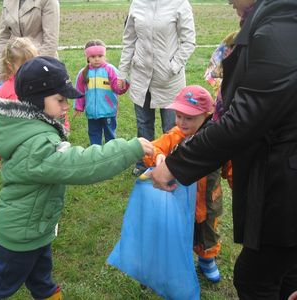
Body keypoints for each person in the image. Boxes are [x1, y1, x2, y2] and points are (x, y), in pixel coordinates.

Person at [0, 56, 153, 300]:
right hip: (21, 234)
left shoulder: (35, 128)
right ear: (37, 100)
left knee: (41, 281)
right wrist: (127, 149)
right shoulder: (37, 144)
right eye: (60, 99)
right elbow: (80, 164)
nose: (66, 105)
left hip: (37, 228)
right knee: (2, 285)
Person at [151, 0, 297, 299]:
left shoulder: (281, 27)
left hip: (285, 183)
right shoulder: (278, 20)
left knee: (255, 278)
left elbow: (244, 118)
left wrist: (177, 164)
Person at [143, 85, 226, 283]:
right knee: (181, 233)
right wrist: (158, 156)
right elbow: (153, 148)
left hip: (208, 202)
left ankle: (207, 260)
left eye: (188, 118)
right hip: (180, 202)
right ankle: (180, 261)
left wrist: (237, 181)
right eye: (178, 116)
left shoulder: (217, 139)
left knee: (208, 233)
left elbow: (231, 165)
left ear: (206, 116)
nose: (181, 122)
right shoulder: (176, 135)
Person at [117, 0, 196, 176]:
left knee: (172, 127)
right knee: (144, 125)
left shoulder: (180, 3)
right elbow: (129, 40)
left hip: (169, 80)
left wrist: (173, 67)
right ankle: (145, 163)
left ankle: (172, 166)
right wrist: (122, 72)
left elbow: (189, 41)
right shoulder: (137, 4)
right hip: (141, 77)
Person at [0, 37, 39, 169]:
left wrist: (62, 132)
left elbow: (57, 111)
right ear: (10, 66)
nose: (31, 68)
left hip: (39, 144)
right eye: (25, 65)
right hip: (13, 148)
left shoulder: (43, 84)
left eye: (34, 63)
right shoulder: (4, 92)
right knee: (16, 177)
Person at [0, 0, 59, 87]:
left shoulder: (48, 1)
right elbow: (3, 38)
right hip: (13, 68)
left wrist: (37, 70)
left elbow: (50, 41)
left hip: (40, 66)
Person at [74, 40, 129, 145]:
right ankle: (96, 154)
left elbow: (118, 88)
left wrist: (123, 85)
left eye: (100, 56)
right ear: (88, 57)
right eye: (93, 56)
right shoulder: (83, 73)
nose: (97, 59)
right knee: (94, 134)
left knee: (110, 135)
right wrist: (79, 107)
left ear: (104, 55)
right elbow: (79, 91)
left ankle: (111, 153)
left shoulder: (110, 70)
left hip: (108, 111)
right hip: (91, 113)